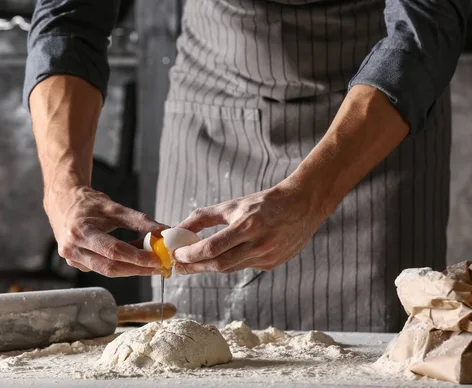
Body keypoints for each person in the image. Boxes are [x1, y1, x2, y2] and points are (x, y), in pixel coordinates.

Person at [24, 0, 470, 333]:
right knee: (194, 344)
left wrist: (312, 194)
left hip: (375, 123)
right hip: (214, 103)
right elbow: (69, 19)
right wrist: (63, 188)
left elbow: (424, 28)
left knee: (377, 353)